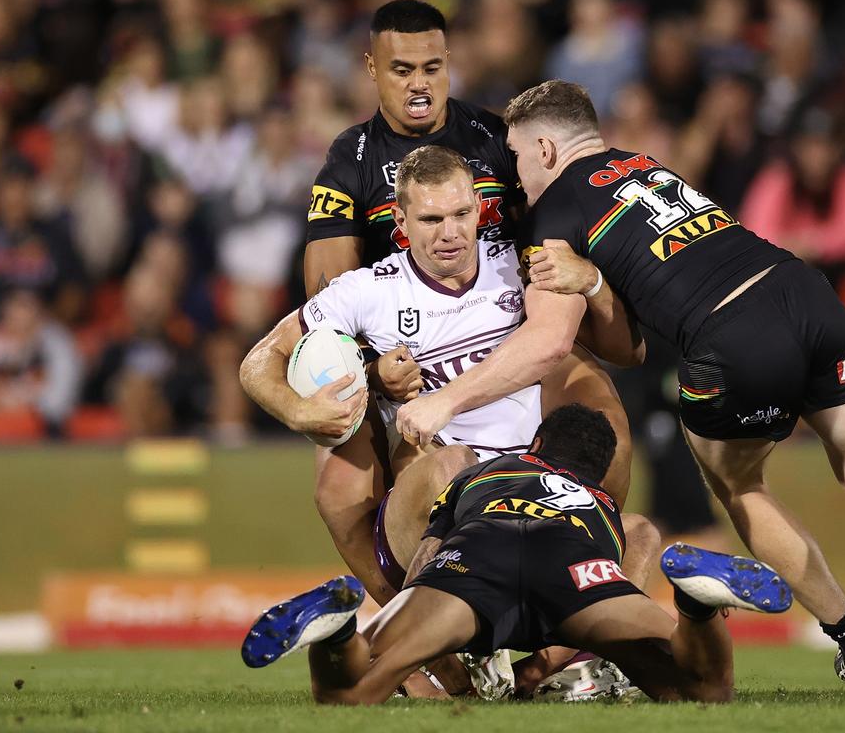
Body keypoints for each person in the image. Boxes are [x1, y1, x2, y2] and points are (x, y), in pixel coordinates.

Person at [395, 80, 845, 689]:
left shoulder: (555, 209)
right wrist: (591, 284)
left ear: (547, 152)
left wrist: (444, 399)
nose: (516, 177)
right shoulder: (646, 167)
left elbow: (550, 343)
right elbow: (631, 345)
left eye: (519, 158)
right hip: (807, 297)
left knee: (741, 487)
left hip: (731, 338)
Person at [240, 145, 658, 697]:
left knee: (643, 537)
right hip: (438, 514)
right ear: (401, 222)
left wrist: (591, 279)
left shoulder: (522, 262)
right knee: (449, 465)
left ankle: (545, 673)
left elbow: (625, 343)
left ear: (479, 209)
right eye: (432, 219)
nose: (450, 233)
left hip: (530, 495)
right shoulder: (369, 292)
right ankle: (421, 650)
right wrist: (304, 410)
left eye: (462, 214)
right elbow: (257, 362)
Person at [297, 0, 638, 620]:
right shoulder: (349, 163)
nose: (420, 83)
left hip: (514, 327)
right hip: (407, 359)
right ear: (371, 67)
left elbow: (563, 220)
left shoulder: (497, 141)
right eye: (402, 69)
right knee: (339, 490)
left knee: (603, 422)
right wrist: (373, 374)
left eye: (432, 66)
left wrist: (588, 284)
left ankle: (586, 601)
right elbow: (326, 293)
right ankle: (424, 640)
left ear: (450, 61)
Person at [241, 404, 794, 705]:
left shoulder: (487, 473)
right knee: (700, 685)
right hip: (575, 564)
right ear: (596, 473)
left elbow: (433, 550)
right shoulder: (603, 505)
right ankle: (696, 608)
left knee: (353, 688)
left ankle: (339, 632)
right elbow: (634, 554)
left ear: (535, 449)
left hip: (478, 554)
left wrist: (418, 640)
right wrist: (546, 661)